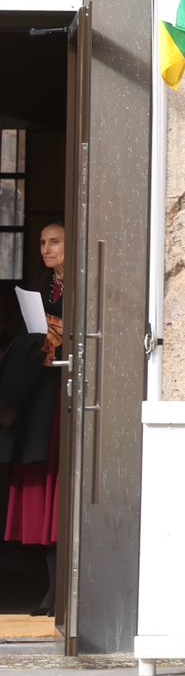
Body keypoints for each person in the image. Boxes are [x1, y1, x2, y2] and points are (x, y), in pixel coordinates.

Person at [0, 222, 65, 616]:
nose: (46, 248)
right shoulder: (44, 288)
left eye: (55, 241)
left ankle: (61, 590)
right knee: (41, 487)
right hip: (41, 397)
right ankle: (52, 586)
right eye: (42, 242)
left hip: (63, 396)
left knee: (57, 490)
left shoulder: (79, 285)